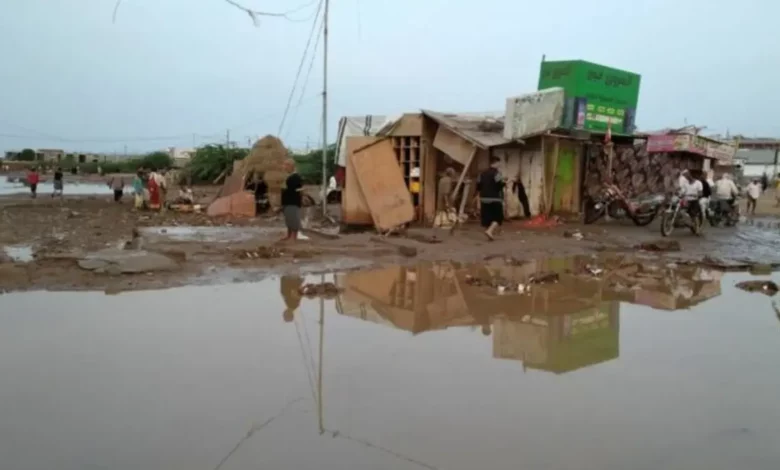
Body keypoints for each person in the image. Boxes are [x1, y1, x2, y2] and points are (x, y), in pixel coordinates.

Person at [477, 156, 505, 240]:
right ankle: (490, 231)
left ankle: (489, 233)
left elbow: (478, 185)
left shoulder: (482, 173)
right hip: (494, 198)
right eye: (499, 163)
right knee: (498, 217)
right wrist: (505, 183)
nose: (499, 165)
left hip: (484, 198)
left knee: (487, 216)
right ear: (495, 163)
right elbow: (499, 184)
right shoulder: (497, 173)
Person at [280, 159, 303, 242]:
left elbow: (298, 190)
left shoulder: (295, 177)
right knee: (289, 219)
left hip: (292, 201)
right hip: (287, 201)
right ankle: (289, 235)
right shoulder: (290, 176)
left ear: (291, 166)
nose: (284, 167)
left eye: (286, 165)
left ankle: (293, 237)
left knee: (293, 219)